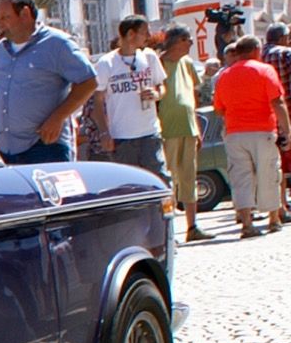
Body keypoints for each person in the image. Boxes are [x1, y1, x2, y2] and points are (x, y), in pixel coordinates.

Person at [0, 0, 97, 164]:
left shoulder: (57, 44)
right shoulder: (0, 50)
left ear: (25, 14)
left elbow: (89, 81)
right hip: (5, 148)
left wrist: (57, 118)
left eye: (5, 17)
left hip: (45, 146)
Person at [211, 35, 291, 236]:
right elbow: (277, 102)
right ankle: (274, 218)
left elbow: (219, 109)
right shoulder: (265, 70)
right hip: (262, 130)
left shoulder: (225, 75)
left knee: (241, 177)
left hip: (235, 133)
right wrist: (287, 131)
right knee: (269, 173)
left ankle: (246, 223)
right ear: (256, 50)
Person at [90, 15, 169, 183]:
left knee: (160, 178)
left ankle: (166, 209)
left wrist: (157, 94)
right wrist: (104, 132)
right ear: (131, 34)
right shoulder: (107, 63)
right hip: (122, 136)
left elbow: (161, 86)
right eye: (144, 32)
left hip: (149, 132)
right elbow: (98, 100)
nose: (148, 36)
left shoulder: (149, 57)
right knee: (129, 183)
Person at [156, 26, 206, 241]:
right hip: (167, 130)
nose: (191, 43)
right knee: (170, 181)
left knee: (189, 178)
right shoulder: (158, 63)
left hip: (188, 128)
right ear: (176, 41)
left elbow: (192, 98)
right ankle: (171, 232)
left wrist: (197, 127)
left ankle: (192, 227)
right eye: (187, 39)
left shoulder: (187, 63)